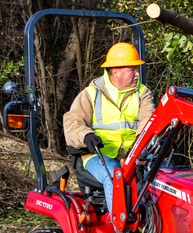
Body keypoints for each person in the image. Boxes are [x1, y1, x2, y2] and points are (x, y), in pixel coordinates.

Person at [63, 42, 154, 214]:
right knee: (115, 179)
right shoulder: (91, 94)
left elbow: (147, 120)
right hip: (99, 155)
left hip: (134, 154)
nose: (137, 74)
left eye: (136, 69)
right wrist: (86, 135)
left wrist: (142, 146)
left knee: (164, 174)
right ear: (115, 71)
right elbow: (72, 122)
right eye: (131, 70)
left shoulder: (143, 93)